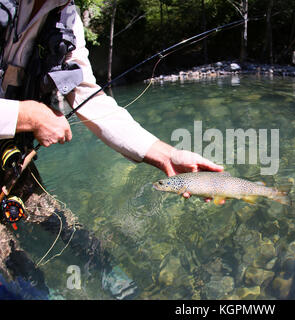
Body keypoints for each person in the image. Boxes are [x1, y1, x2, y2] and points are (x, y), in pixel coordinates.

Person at [0, 0, 223, 298]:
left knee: (64, 225)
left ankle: (103, 267)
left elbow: (87, 97)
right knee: (12, 263)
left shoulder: (64, 15)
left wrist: (164, 154)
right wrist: (26, 115)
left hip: (13, 160)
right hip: (15, 139)